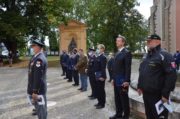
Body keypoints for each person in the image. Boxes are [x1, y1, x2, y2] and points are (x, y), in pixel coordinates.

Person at [137, 34, 177, 119]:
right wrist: (140, 86)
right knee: (149, 116)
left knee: (159, 117)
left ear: (158, 41)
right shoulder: (146, 56)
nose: (147, 43)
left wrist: (165, 94)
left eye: (149, 41)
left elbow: (171, 75)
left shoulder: (165, 55)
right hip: (146, 94)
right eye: (147, 41)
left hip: (158, 96)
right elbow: (142, 72)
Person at [109, 35, 132, 119]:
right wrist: (112, 79)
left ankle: (126, 116)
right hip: (116, 79)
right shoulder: (117, 52)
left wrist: (127, 80)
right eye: (116, 41)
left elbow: (128, 68)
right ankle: (118, 114)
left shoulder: (127, 53)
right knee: (117, 98)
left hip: (122, 80)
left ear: (123, 42)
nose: (116, 42)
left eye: (118, 41)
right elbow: (115, 67)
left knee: (124, 99)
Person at [27, 37, 48, 119]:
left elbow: (38, 77)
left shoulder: (39, 59)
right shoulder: (35, 57)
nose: (32, 48)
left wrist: (35, 91)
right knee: (39, 109)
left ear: (38, 47)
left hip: (38, 90)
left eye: (33, 46)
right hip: (36, 89)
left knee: (41, 111)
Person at [94, 44, 107, 109]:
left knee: (101, 90)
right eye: (97, 48)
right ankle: (99, 102)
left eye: (98, 48)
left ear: (102, 49)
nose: (97, 49)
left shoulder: (103, 57)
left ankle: (102, 104)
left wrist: (103, 77)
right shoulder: (98, 56)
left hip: (101, 76)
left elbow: (103, 68)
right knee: (98, 89)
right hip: (97, 75)